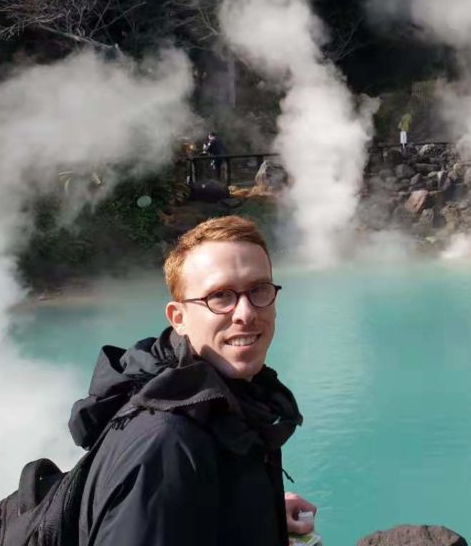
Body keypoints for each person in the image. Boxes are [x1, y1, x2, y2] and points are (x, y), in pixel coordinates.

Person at [71, 215, 317, 545]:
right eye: (220, 296)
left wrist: (260, 511)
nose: (245, 313)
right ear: (179, 318)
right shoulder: (165, 447)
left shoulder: (219, 397)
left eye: (258, 289)